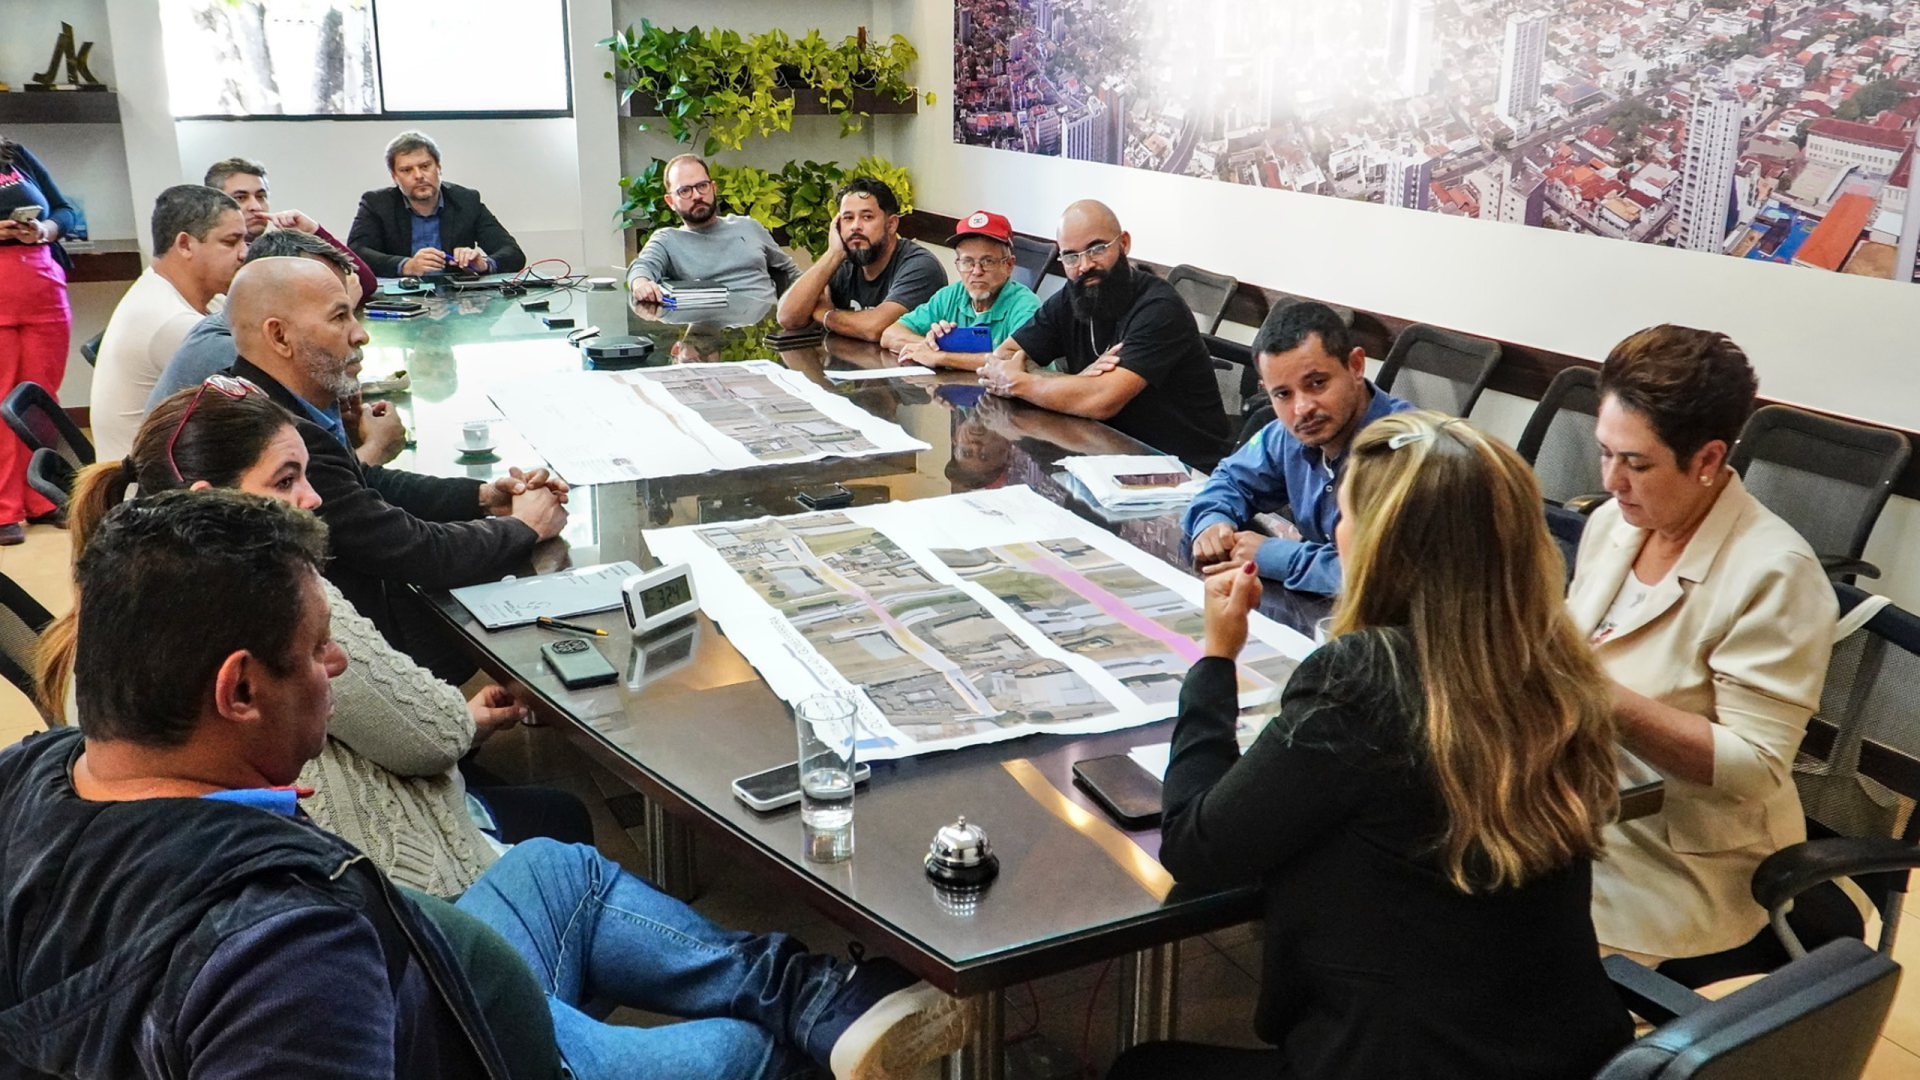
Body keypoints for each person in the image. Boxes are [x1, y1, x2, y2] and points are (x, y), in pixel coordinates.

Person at [0, 488, 967, 1079]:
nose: (337, 667)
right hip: (488, 1056)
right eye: (318, 650)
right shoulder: (282, 955)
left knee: (558, 867)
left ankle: (813, 993)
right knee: (745, 1056)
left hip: (441, 993)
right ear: (241, 688)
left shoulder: (36, 771)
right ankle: (804, 1031)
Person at [1111, 410, 1631, 1080]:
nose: (1336, 531)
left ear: (1391, 547)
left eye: (1346, 515)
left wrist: (1216, 660)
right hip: (1561, 1054)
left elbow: (1196, 845)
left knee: (1143, 1070)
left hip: (1401, 1058)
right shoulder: (1555, 668)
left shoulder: (1363, 677)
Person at [36, 382, 591, 895]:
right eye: (285, 481)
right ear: (212, 505)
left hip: (275, 874)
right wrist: (456, 718)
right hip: (385, 894)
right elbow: (434, 736)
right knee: (570, 845)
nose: (313, 497)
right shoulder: (275, 595)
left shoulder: (114, 596)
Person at [1569, 325, 1837, 970]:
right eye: (1604, 452)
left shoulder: (1775, 572)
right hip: (1577, 806)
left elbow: (1754, 767)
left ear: (1709, 460)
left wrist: (1591, 692)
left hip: (1676, 855)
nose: (1611, 481)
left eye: (1636, 463)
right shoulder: (1613, 525)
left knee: (1499, 960)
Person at [221, 256, 565, 684]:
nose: (361, 334)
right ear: (280, 336)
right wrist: (526, 526)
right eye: (340, 316)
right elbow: (415, 551)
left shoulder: (255, 397)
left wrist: (482, 496)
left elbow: (366, 484)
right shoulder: (282, 438)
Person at [979, 201, 1231, 472]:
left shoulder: (1160, 307)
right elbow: (1002, 358)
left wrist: (1021, 383)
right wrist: (1076, 382)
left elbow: (1102, 401)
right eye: (1071, 256)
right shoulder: (1071, 296)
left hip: (1186, 471)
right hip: (1105, 457)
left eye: (1097, 248)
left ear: (1123, 243)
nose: (1084, 265)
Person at [1181, 302, 1411, 595]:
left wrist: (1270, 556)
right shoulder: (1288, 434)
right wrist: (1212, 523)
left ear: (1355, 366)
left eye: (1317, 383)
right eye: (1283, 394)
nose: (1301, 408)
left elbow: (1386, 578)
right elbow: (1230, 479)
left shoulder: (1408, 452)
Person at [91, 184, 248, 459]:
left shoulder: (194, 293)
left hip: (174, 462)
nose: (244, 253)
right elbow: (264, 387)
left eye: (245, 241)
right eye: (230, 242)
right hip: (148, 489)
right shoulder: (170, 320)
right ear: (185, 245)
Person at [0, 137, 82, 543]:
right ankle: (3, 510)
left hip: (43, 289)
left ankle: (42, 497)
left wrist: (44, 229)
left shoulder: (14, 153)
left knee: (39, 400)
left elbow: (67, 211)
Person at [775, 178, 947, 342]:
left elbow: (874, 328)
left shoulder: (920, 266)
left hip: (905, 370)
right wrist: (832, 255)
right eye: (848, 218)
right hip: (849, 367)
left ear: (892, 224)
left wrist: (825, 315)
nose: (855, 226)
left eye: (867, 217)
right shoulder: (844, 260)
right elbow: (788, 318)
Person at [627, 154, 799, 308]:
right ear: (670, 201)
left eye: (702, 186)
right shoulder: (667, 240)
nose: (697, 196)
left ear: (713, 188)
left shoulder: (748, 226)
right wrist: (641, 284)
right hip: (708, 336)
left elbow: (791, 272)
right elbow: (642, 267)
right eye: (685, 190)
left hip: (766, 332)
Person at [878, 209, 1039, 371]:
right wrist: (929, 344)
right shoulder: (950, 295)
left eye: (988, 261)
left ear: (1009, 265)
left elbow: (1017, 362)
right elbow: (890, 334)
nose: (976, 271)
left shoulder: (1025, 304)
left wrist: (942, 357)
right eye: (967, 262)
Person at [348, 130, 525, 277]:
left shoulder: (466, 200)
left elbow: (513, 253)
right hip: (401, 300)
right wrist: (406, 266)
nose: (418, 176)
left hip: (459, 302)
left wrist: (483, 264)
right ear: (394, 177)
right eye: (407, 170)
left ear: (439, 167)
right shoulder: (376, 203)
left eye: (425, 166)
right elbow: (355, 253)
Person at [205, 156, 377, 299]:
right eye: (241, 198)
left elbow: (366, 283)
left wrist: (314, 232)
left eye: (261, 196)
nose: (256, 206)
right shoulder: (216, 258)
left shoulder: (273, 249)